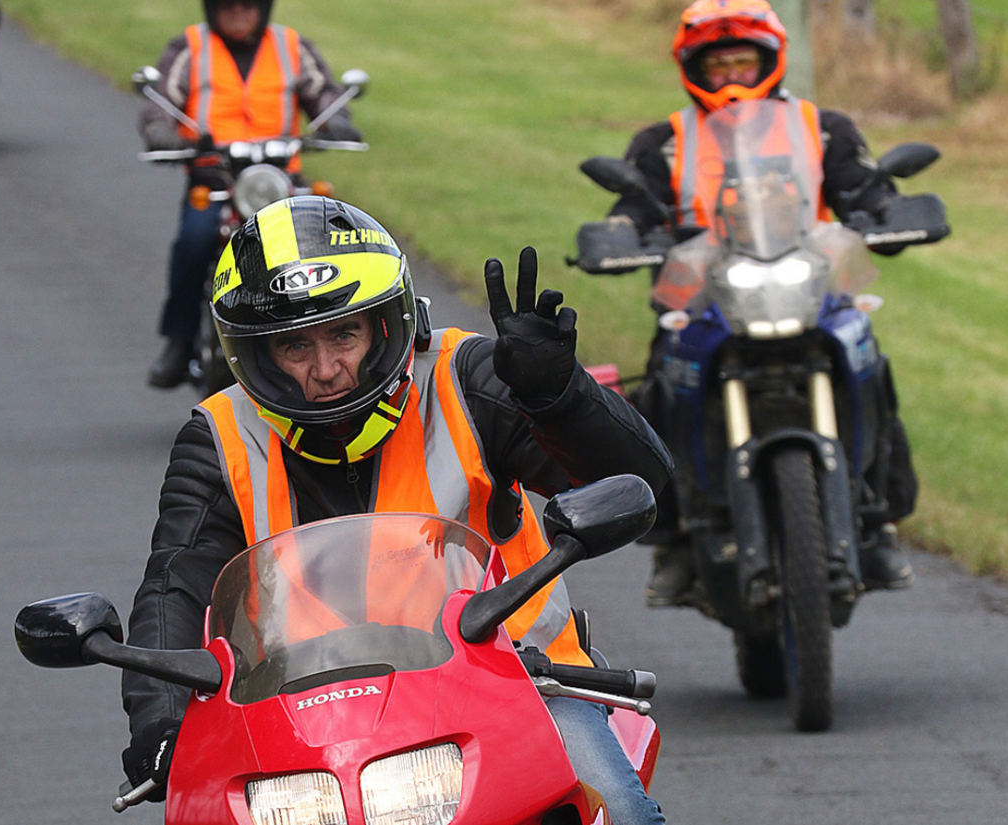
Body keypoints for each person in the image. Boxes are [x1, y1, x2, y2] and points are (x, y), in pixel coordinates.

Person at [120, 196, 672, 824]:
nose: (327, 369)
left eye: (344, 334)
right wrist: (161, 721)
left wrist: (558, 397)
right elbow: (175, 583)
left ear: (385, 324)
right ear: (256, 354)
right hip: (305, 722)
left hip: (521, 687)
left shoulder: (467, 378)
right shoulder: (221, 434)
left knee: (621, 809)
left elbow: (642, 478)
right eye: (294, 347)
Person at [605, 0, 918, 605]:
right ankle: (671, 538)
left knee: (870, 366)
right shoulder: (664, 143)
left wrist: (888, 211)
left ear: (771, 62)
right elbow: (634, 207)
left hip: (811, 290)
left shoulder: (822, 127)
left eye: (743, 64)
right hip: (703, 302)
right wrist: (619, 233)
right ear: (693, 67)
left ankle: (877, 520)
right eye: (717, 66)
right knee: (657, 395)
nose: (731, 79)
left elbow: (862, 189)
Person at [140, 0, 363, 389]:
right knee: (193, 242)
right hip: (215, 179)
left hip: (280, 181)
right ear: (211, 9)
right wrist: (162, 132)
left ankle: (337, 337)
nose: (238, 13)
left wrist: (336, 119)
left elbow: (324, 92)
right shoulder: (191, 47)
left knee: (325, 246)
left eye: (248, 5)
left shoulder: (290, 46)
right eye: (227, 6)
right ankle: (178, 341)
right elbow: (159, 104)